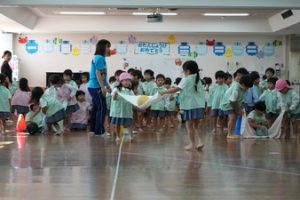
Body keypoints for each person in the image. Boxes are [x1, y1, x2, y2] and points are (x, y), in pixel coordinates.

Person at [160, 60, 205, 151]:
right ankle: (201, 141)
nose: (183, 73)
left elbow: (176, 89)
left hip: (189, 105)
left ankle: (192, 144)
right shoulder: (198, 80)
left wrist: (164, 91)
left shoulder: (186, 79)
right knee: (196, 125)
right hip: (198, 105)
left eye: (183, 71)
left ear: (187, 71)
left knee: (189, 125)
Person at [88, 39, 111, 136]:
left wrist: (107, 86)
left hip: (94, 86)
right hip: (96, 87)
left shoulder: (100, 57)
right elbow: (98, 73)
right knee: (102, 108)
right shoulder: (99, 58)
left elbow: (103, 75)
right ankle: (99, 131)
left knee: (97, 108)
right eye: (108, 47)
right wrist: (102, 87)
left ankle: (93, 129)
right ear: (103, 47)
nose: (109, 49)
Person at [220, 74, 253, 139]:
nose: (247, 89)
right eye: (247, 87)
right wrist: (238, 110)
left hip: (233, 104)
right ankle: (229, 134)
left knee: (234, 118)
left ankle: (232, 133)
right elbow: (232, 101)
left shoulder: (241, 88)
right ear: (243, 84)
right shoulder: (236, 89)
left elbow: (238, 100)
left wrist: (240, 108)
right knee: (232, 118)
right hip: (228, 104)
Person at [110, 72, 134, 142]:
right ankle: (117, 136)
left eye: (129, 81)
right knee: (118, 124)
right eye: (125, 80)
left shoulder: (130, 90)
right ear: (121, 81)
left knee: (129, 124)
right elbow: (113, 98)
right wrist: (115, 95)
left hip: (127, 110)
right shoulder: (116, 89)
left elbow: (133, 99)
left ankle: (130, 136)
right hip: (118, 111)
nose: (127, 82)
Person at [207, 71, 228, 135]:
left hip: (222, 105)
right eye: (218, 78)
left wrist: (226, 105)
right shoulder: (213, 87)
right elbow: (210, 96)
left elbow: (227, 97)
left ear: (224, 79)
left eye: (222, 78)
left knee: (222, 117)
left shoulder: (226, 87)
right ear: (216, 78)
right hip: (215, 105)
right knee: (214, 117)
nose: (220, 80)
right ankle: (214, 128)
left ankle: (221, 129)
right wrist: (209, 105)